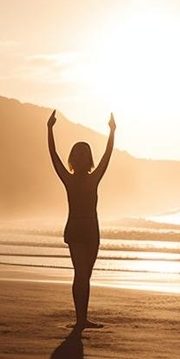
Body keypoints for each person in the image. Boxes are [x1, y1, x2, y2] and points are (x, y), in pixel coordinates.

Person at [47, 110, 115, 331]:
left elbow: (107, 157)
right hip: (76, 228)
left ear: (89, 159)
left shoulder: (95, 178)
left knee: (87, 275)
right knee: (81, 273)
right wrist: (49, 129)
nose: (80, 157)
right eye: (77, 154)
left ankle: (83, 318)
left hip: (92, 230)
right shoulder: (68, 178)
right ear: (72, 159)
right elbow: (54, 156)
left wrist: (112, 132)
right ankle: (80, 320)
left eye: (84, 154)